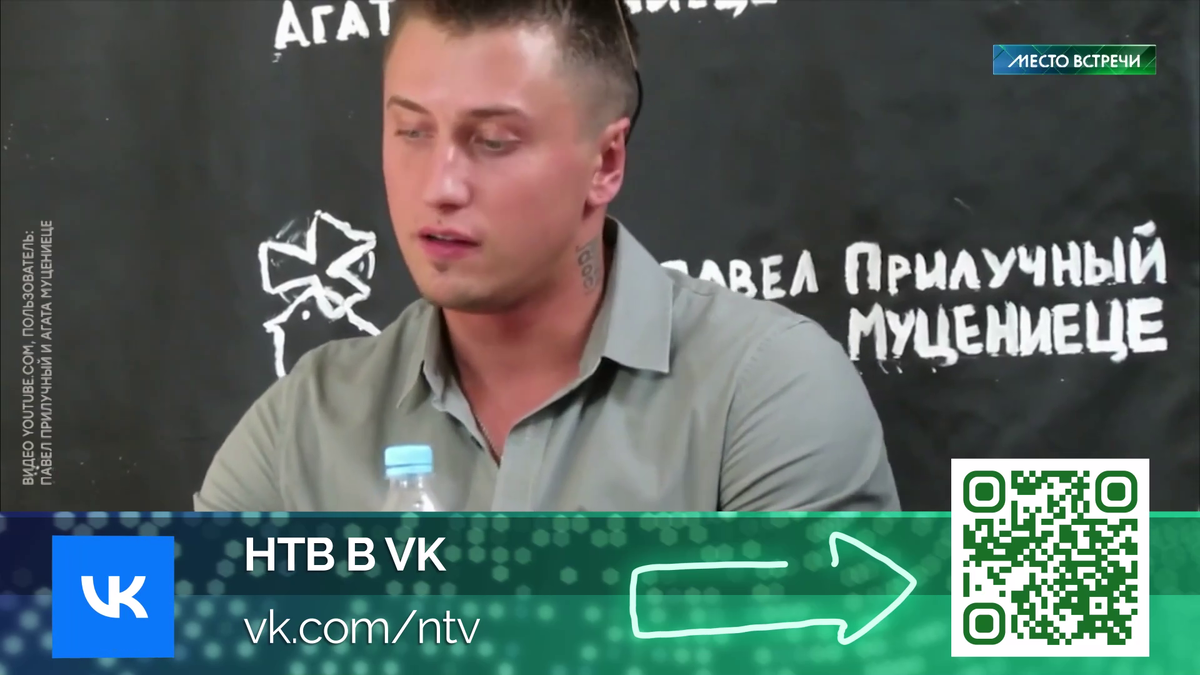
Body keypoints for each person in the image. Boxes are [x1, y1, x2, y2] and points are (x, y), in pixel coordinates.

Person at [194, 0, 900, 512]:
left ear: (606, 162)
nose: (440, 186)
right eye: (412, 131)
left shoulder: (764, 392)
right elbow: (160, 632)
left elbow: (822, 645)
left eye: (493, 141)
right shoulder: (305, 425)